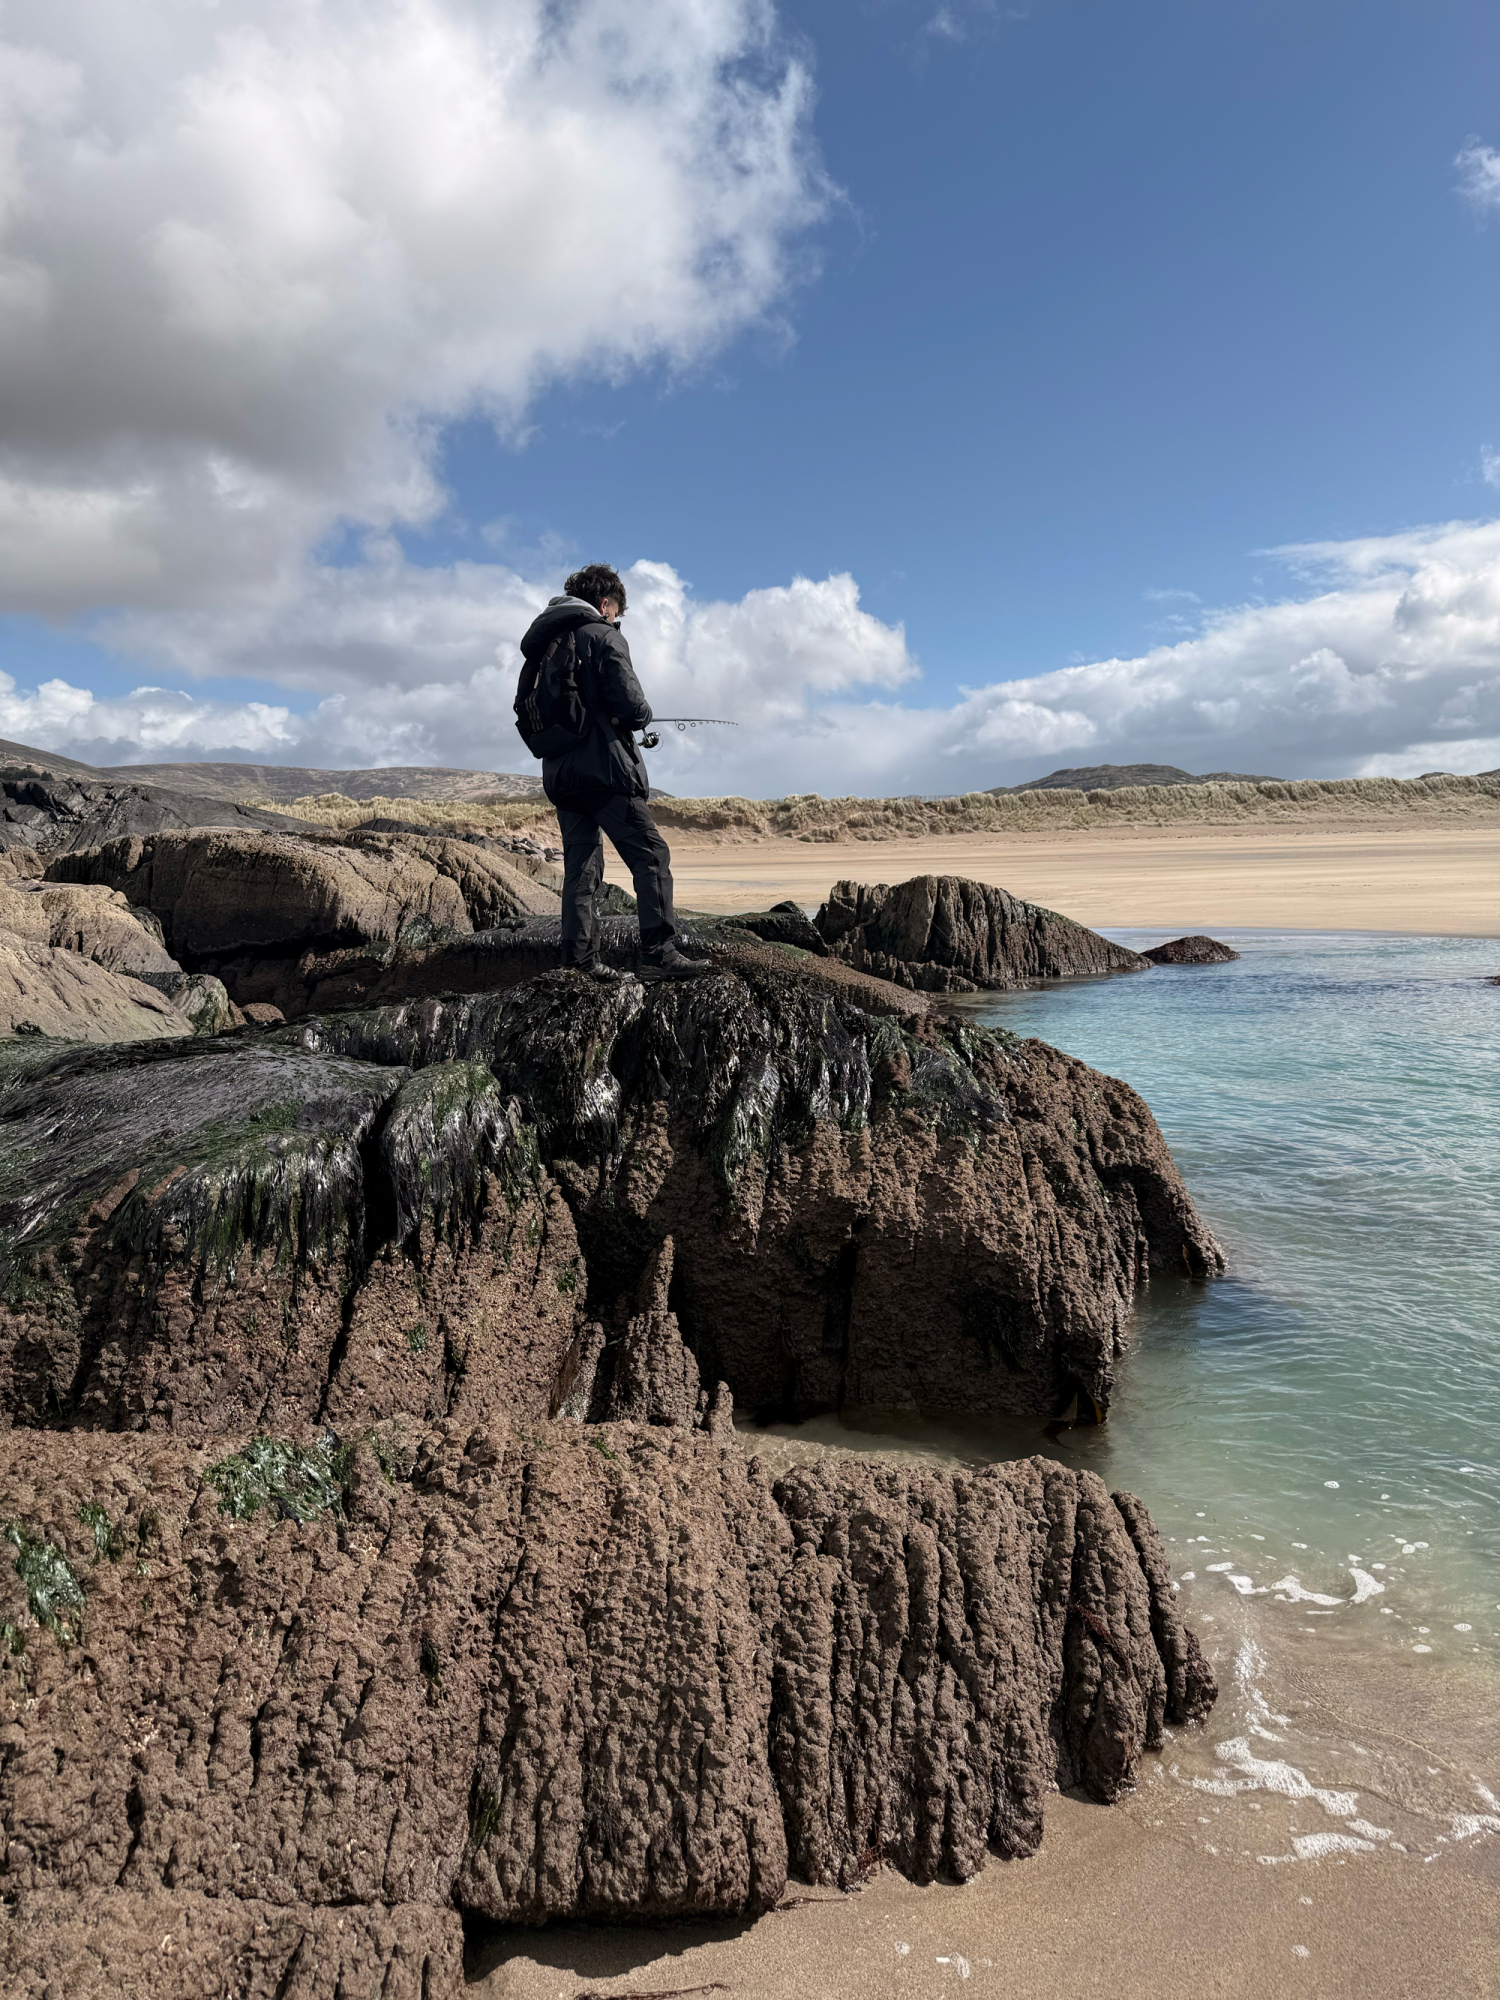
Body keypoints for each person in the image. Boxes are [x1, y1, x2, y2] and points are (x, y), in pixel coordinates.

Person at [518, 564, 711, 980]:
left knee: (582, 869)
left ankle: (579, 963)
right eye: (617, 611)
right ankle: (659, 955)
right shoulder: (602, 635)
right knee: (651, 856)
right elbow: (632, 706)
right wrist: (644, 715)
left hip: (561, 775)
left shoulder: (546, 643)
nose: (617, 618)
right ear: (605, 604)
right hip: (604, 771)